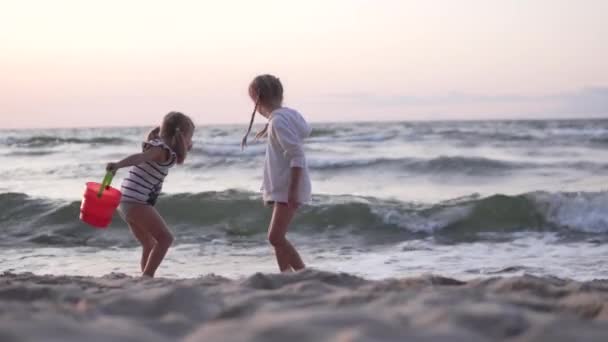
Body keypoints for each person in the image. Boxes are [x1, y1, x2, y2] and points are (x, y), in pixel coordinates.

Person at [106, 112, 195, 277]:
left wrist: (185, 146)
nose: (190, 142)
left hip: (125, 201)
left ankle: (145, 277)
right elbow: (140, 157)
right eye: (190, 138)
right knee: (165, 239)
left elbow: (147, 155)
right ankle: (147, 276)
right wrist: (118, 165)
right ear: (181, 136)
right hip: (135, 200)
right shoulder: (161, 150)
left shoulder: (160, 146)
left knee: (149, 243)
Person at [242, 74, 312, 272]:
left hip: (287, 188)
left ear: (257, 97)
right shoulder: (287, 116)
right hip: (281, 186)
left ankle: (303, 273)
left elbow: (297, 156)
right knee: (278, 237)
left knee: (275, 237)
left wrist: (292, 191)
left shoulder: (278, 122)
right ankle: (285, 274)